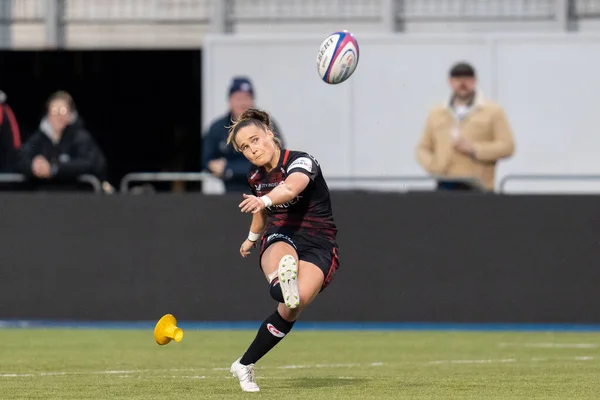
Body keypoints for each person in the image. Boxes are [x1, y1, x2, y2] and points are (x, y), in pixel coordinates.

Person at [226, 108, 340, 392]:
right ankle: (280, 281)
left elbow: (290, 188)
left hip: (319, 241)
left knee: (294, 305)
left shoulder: (301, 161)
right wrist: (252, 238)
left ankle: (244, 364)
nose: (252, 150)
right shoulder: (256, 177)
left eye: (255, 140)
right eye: (245, 147)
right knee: (281, 261)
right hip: (282, 233)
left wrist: (263, 201)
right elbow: (261, 212)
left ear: (270, 134)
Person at [416, 62, 515, 191]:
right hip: (445, 183)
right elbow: (422, 148)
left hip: (479, 185)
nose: (462, 84)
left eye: (467, 79)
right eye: (457, 79)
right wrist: (434, 165)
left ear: (474, 81)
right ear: (450, 82)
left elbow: (507, 146)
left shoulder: (492, 111)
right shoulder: (437, 113)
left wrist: (474, 149)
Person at [201, 76, 284, 192]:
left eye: (246, 98)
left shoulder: (266, 124)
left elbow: (277, 158)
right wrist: (213, 166)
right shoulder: (218, 127)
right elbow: (206, 160)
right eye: (238, 98)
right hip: (230, 193)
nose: (242, 103)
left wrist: (229, 168)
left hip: (264, 191)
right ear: (230, 101)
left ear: (252, 101)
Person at [16, 91, 108, 190]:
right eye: (55, 111)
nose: (59, 116)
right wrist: (33, 166)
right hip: (44, 196)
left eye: (63, 111)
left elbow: (90, 164)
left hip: (77, 195)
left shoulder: (81, 137)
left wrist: (55, 169)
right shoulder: (38, 139)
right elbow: (20, 159)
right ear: (48, 114)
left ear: (71, 113)